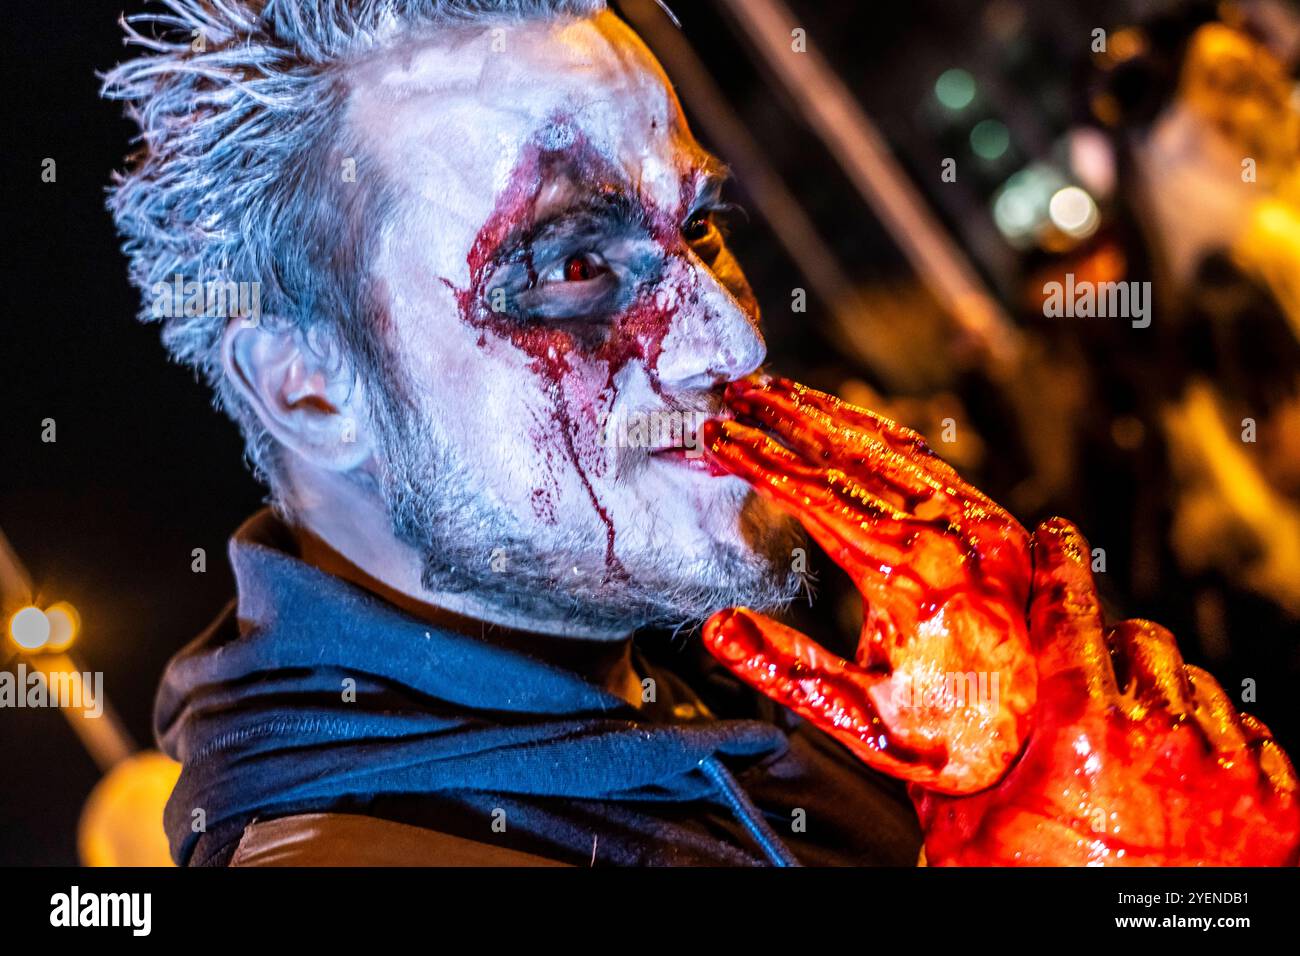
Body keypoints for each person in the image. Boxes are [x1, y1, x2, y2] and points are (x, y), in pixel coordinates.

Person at [103, 0, 1298, 866]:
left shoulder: (644, 684)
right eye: (571, 263)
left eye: (702, 229)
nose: (728, 336)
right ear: (310, 388)